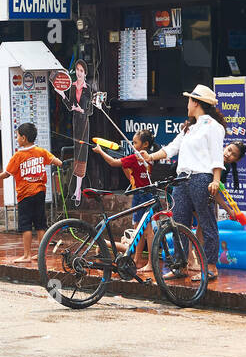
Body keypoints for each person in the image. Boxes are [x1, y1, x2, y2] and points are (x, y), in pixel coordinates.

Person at [142, 84, 226, 281]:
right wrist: (150, 156)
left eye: (189, 100)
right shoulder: (189, 128)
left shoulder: (214, 126)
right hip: (181, 180)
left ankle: (211, 267)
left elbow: (217, 156)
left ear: (196, 102)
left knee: (207, 223)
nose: (187, 104)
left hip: (201, 178)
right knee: (178, 223)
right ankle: (180, 266)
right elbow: (172, 148)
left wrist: (216, 180)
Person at [0, 121, 62, 263]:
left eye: (17, 136)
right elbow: (58, 162)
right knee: (40, 224)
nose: (17, 139)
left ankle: (27, 255)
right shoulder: (41, 152)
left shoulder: (18, 156)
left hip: (25, 195)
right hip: (40, 193)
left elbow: (6, 174)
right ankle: (41, 255)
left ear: (24, 138)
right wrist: (55, 162)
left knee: (26, 225)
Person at [94, 129, 156, 277]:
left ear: (145, 144)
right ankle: (136, 260)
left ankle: (151, 264)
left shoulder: (135, 157)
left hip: (141, 196)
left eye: (135, 143)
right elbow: (131, 175)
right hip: (144, 193)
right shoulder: (149, 157)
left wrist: (100, 151)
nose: (133, 145)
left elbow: (113, 162)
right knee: (139, 231)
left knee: (146, 232)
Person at [54, 60, 94, 204]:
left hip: (84, 123)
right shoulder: (72, 87)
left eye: (81, 70)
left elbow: (90, 110)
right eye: (77, 70)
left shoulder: (88, 88)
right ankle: (77, 190)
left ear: (85, 73)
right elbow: (70, 106)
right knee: (77, 151)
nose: (79, 73)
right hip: (75, 122)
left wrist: (82, 110)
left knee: (82, 152)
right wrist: (62, 94)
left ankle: (78, 191)